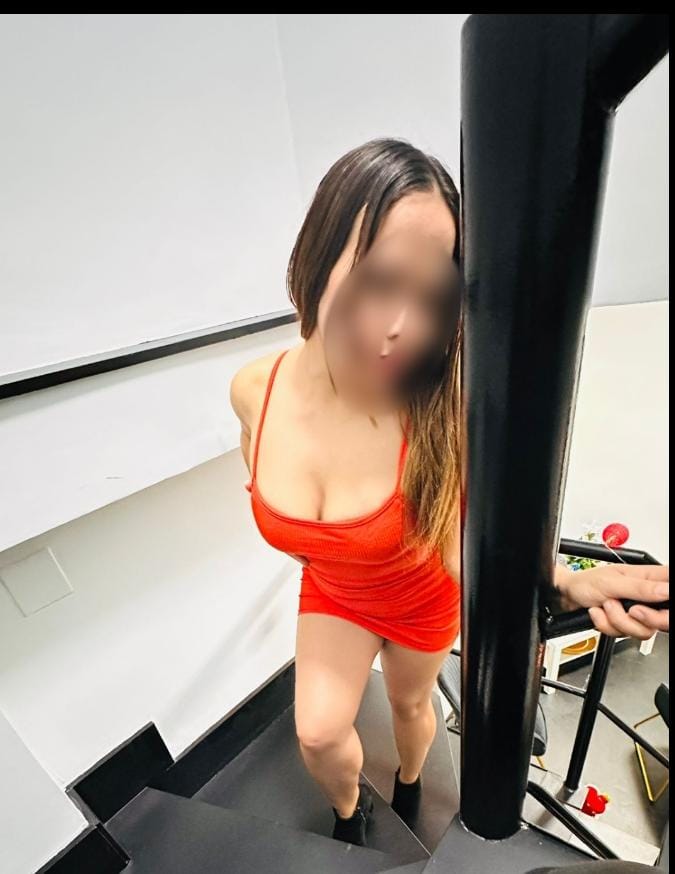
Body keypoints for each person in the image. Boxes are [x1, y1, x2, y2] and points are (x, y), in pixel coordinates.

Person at [229, 139, 669, 848]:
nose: (403, 331)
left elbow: (463, 544)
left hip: (422, 595)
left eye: (432, 299)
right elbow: (269, 482)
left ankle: (409, 784)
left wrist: (557, 583)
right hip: (337, 591)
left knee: (410, 709)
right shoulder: (254, 390)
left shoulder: (442, 411)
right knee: (317, 732)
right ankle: (350, 814)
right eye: (381, 280)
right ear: (317, 255)